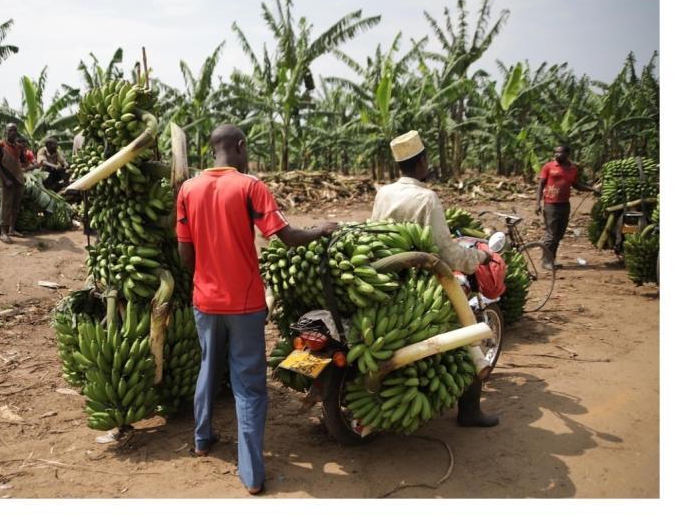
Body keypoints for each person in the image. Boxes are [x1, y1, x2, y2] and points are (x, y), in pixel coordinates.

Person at [176, 124, 337, 495]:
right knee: (248, 386)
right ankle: (251, 473)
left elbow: (185, 254)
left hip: (205, 300)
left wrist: (207, 274)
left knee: (207, 367)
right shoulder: (250, 186)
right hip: (244, 303)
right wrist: (322, 229)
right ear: (240, 146)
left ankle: (202, 440)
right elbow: (286, 236)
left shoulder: (188, 189)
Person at [371, 130, 499, 428]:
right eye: (426, 161)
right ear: (421, 163)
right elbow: (448, 252)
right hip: (424, 284)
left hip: (386, 280)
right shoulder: (426, 199)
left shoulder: (383, 193)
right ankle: (470, 411)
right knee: (467, 331)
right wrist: (479, 258)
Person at [535, 144, 599, 269]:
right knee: (551, 234)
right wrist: (538, 203)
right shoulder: (549, 166)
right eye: (555, 152)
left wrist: (591, 189)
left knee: (559, 234)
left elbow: (576, 184)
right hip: (551, 204)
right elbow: (541, 185)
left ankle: (551, 259)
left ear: (567, 154)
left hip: (564, 204)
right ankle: (545, 261)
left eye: (560, 152)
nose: (557, 155)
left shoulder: (572, 169)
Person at [0, 124, 28, 244]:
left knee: (15, 206)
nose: (13, 132)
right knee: (6, 206)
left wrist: (23, 150)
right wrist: (5, 180)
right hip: (6, 180)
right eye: (10, 130)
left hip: (18, 179)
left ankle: (12, 229)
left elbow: (23, 161)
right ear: (6, 132)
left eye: (15, 130)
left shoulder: (18, 146)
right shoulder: (0, 145)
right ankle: (3, 232)